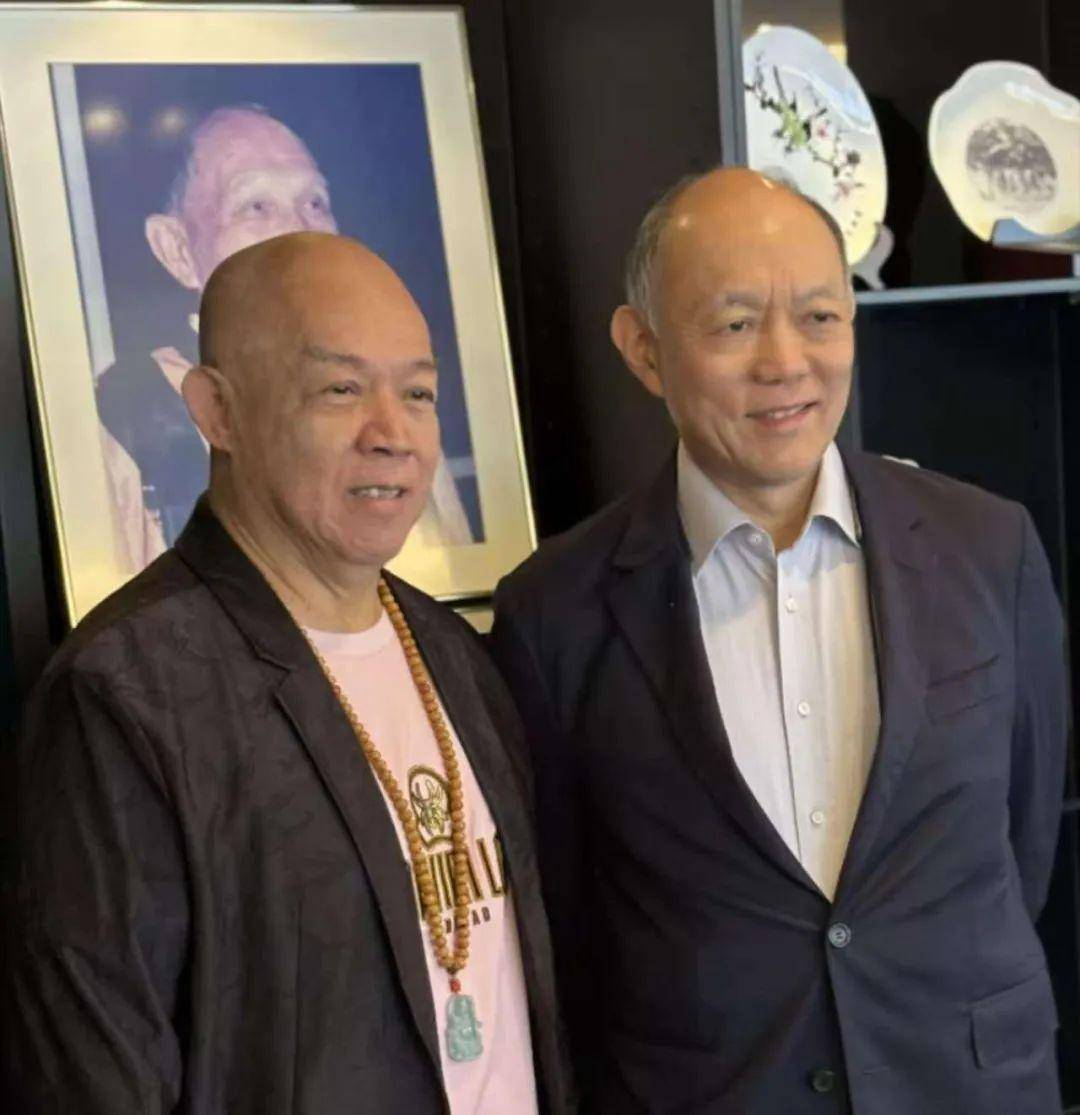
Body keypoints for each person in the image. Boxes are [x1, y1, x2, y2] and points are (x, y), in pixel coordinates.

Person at [490, 167, 1067, 1114]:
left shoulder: (988, 547)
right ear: (644, 350)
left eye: (820, 317)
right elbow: (568, 920)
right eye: (734, 324)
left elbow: (1025, 834)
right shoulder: (554, 611)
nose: (786, 362)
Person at [8, 232, 572, 1114]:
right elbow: (94, 1078)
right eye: (340, 389)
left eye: (418, 393)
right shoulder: (123, 695)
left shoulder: (455, 652)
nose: (392, 435)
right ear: (217, 411)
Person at [96, 104, 472, 563]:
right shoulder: (126, 420)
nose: (301, 231)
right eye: (256, 207)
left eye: (315, 203)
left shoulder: (395, 403)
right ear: (176, 249)